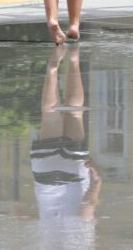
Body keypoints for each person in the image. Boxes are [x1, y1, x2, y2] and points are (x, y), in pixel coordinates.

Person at [31, 45, 100, 246]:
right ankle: (52, 72)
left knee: (75, 113)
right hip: (45, 178)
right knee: (50, 114)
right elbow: (32, 221)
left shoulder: (80, 246)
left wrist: (96, 182)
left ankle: (73, 59)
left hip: (74, 178)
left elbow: (87, 207)